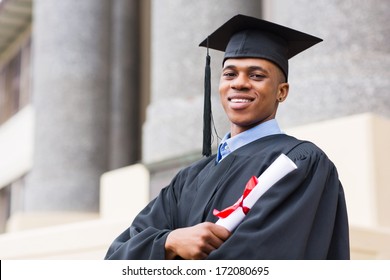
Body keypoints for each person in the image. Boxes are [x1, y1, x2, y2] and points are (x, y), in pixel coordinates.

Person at [104, 14, 350, 260]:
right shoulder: (189, 179)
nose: (239, 84)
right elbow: (116, 257)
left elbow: (259, 260)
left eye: (256, 76)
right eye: (230, 74)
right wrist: (170, 242)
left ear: (281, 92)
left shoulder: (300, 164)